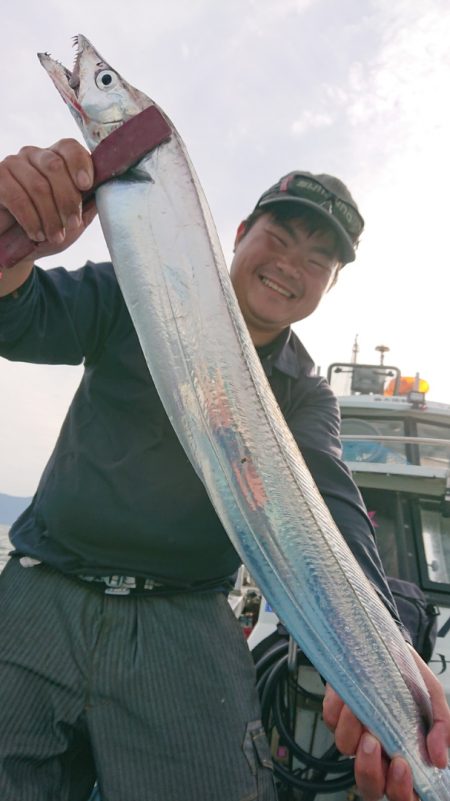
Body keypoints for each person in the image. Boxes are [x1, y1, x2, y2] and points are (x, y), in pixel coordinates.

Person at [0, 140, 448, 801]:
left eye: (318, 259)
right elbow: (20, 316)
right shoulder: (141, 289)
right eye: (282, 237)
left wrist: (381, 644)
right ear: (240, 233)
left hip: (185, 614)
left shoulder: (303, 392)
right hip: (44, 586)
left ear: (329, 284)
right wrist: (12, 238)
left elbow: (330, 507)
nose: (293, 265)